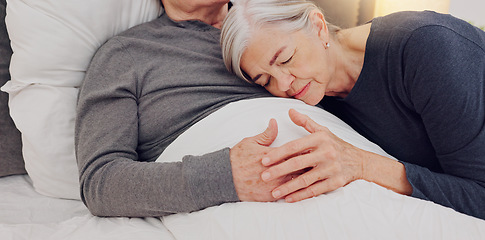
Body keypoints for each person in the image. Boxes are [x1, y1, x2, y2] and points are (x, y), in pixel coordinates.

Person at [221, 0, 485, 220]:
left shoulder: (427, 48)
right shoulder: (320, 100)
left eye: (286, 59)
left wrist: (362, 164)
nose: (284, 84)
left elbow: (480, 198)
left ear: (318, 26)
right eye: (265, 81)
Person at [75, 0, 301, 217]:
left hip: (326, 173)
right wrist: (224, 176)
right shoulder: (126, 55)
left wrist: (338, 151)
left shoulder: (279, 18)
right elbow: (100, 182)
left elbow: (333, 88)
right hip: (245, 209)